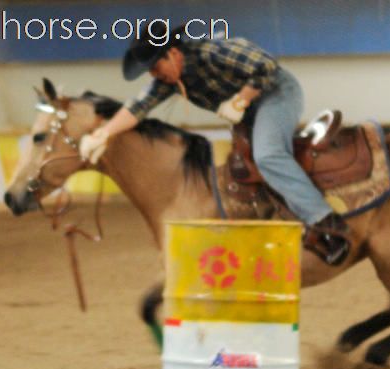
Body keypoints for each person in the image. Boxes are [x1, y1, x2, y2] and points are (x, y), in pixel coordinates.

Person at [79, 22, 350, 265]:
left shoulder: (213, 51)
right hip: (250, 109)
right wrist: (103, 134)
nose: (154, 75)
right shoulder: (169, 80)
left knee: (268, 156)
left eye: (155, 67)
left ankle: (326, 220)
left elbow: (267, 66)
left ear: (173, 54)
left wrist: (241, 99)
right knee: (245, 167)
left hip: (276, 93)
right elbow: (137, 107)